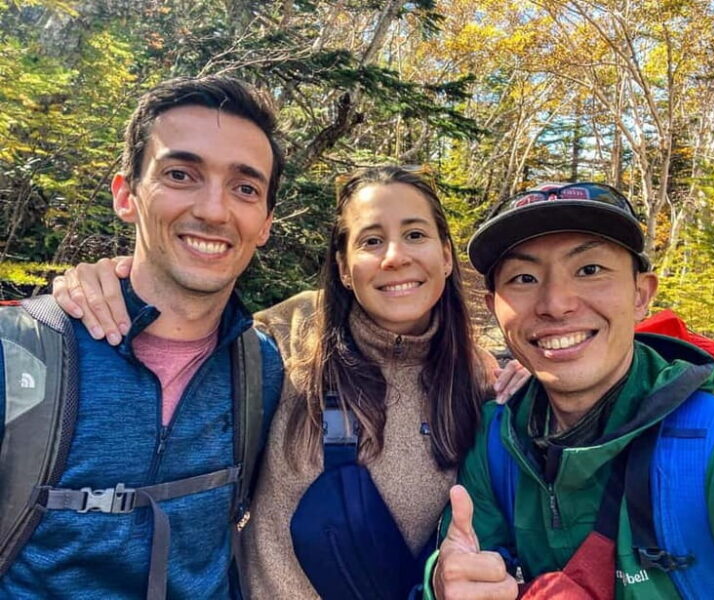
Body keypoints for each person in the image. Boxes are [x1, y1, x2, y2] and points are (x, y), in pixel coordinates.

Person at [50, 166, 530, 599]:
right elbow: (182, 326)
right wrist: (107, 283)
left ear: (446, 257)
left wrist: (534, 380)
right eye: (370, 241)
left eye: (415, 234)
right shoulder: (290, 332)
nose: (395, 257)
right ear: (343, 268)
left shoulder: (478, 376)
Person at [428, 182, 714, 599]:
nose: (555, 303)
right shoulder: (498, 439)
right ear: (494, 305)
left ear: (641, 295)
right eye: (525, 277)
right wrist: (442, 583)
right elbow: (469, 560)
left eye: (589, 270)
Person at [0, 76, 285, 599]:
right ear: (126, 195)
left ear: (265, 223)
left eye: (245, 188)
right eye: (181, 174)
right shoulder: (15, 352)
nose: (215, 210)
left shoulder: (261, 368)